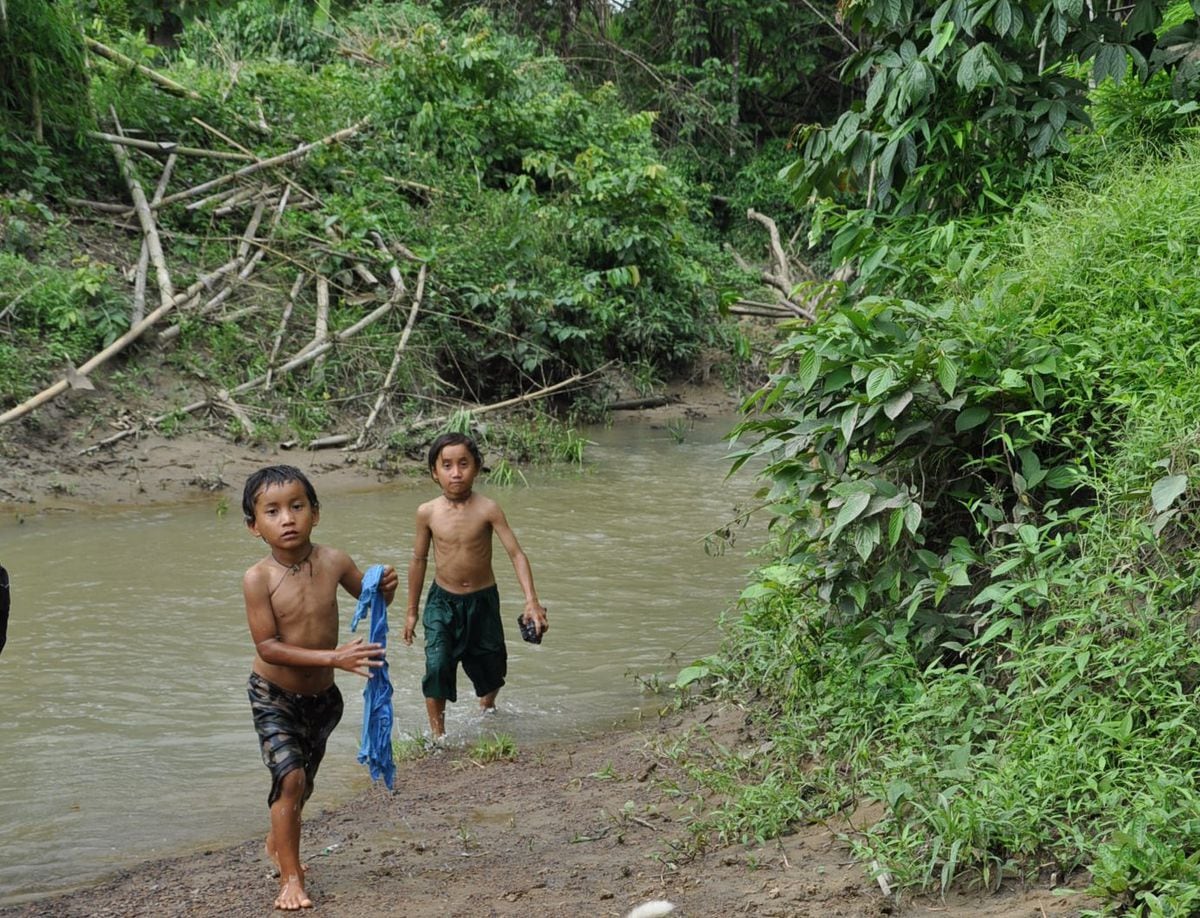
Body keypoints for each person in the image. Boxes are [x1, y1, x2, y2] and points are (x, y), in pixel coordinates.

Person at [241, 465, 397, 911]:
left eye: (296, 506)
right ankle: (290, 876)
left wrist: (386, 586)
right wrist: (335, 658)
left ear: (316, 513)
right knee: (288, 777)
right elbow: (268, 647)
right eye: (272, 511)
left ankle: (279, 837)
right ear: (255, 527)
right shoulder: (258, 579)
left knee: (302, 784)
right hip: (272, 694)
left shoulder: (334, 561)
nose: (287, 518)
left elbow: (372, 599)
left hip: (324, 700)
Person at [403, 432, 548, 739]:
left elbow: (516, 554)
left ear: (477, 467)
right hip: (442, 601)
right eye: (447, 465)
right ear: (434, 472)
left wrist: (531, 600)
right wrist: (412, 611)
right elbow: (418, 560)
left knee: (492, 666)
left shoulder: (488, 509)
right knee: (438, 662)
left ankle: (486, 708)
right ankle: (438, 736)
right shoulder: (426, 512)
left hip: (483, 600)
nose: (456, 472)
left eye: (464, 464)